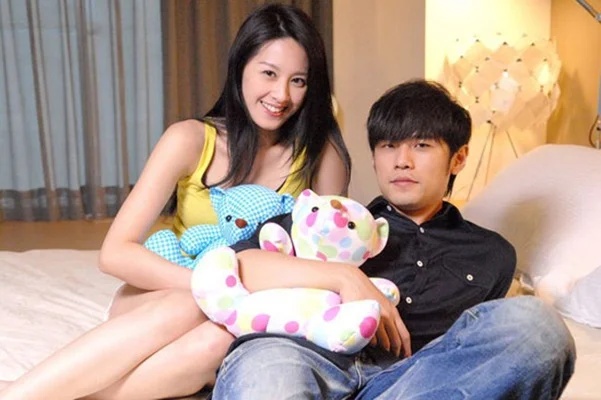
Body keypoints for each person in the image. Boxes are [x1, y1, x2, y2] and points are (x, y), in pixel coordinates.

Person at [0, 4, 350, 400]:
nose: (281, 95)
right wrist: (210, 288)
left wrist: (238, 299)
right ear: (240, 68)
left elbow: (330, 257)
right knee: (190, 306)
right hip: (163, 298)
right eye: (268, 73)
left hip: (240, 317)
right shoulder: (190, 139)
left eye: (298, 81)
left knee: (217, 342)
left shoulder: (321, 156)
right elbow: (114, 253)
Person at [209, 80, 576, 399]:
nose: (401, 161)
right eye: (388, 146)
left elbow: (471, 360)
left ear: (458, 158)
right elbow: (238, 265)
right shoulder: (332, 219)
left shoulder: (491, 254)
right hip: (304, 359)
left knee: (536, 325)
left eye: (421, 146)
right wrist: (346, 277)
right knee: (267, 370)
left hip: (409, 382)